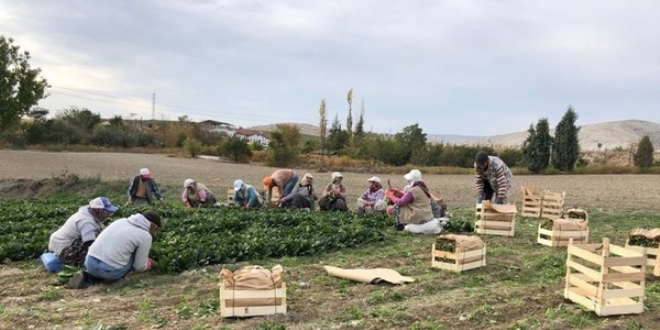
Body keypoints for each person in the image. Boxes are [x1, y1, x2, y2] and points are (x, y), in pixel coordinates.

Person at [67, 211, 162, 289]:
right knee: (133, 256)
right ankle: (117, 281)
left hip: (90, 262)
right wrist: (148, 264)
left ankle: (87, 277)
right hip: (110, 271)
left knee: (112, 258)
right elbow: (139, 267)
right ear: (152, 226)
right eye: (155, 229)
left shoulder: (121, 221)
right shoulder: (145, 236)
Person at [48, 197, 119, 266]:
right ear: (99, 211)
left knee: (102, 234)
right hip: (64, 249)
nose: (110, 214)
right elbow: (89, 244)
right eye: (107, 211)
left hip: (61, 244)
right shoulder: (86, 222)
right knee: (98, 238)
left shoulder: (90, 214)